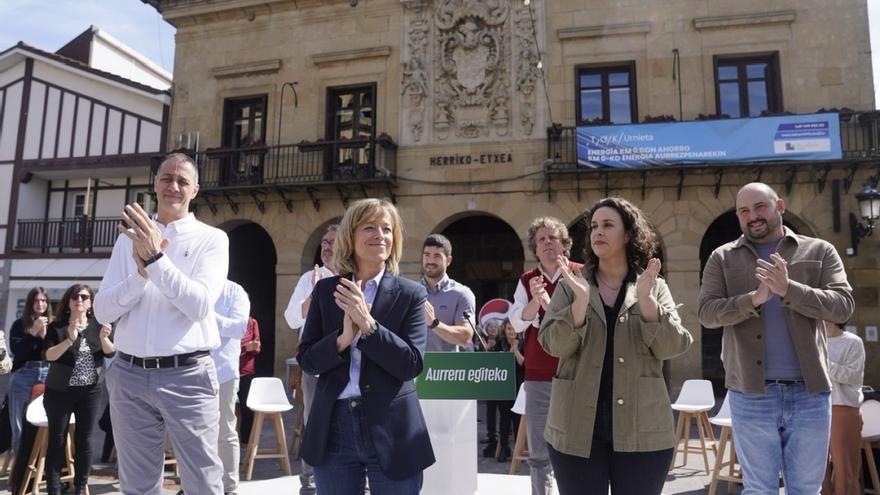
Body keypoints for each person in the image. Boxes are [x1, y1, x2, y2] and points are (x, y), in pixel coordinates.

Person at [698, 182, 854, 494]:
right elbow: (707, 313)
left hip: (810, 393)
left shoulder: (820, 250)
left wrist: (789, 290)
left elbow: (843, 306)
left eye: (760, 207)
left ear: (779, 207)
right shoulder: (722, 257)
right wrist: (753, 299)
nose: (752, 216)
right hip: (751, 394)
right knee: (758, 489)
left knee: (806, 490)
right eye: (744, 211)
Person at [95, 152, 229, 495]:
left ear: (195, 190)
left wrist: (156, 260)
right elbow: (102, 311)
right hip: (128, 373)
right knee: (137, 486)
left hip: (187, 375)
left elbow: (199, 305)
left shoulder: (212, 239)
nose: (173, 186)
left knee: (203, 482)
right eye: (166, 178)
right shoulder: (128, 239)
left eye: (182, 181)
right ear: (155, 183)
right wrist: (139, 277)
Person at [539, 197, 693, 494]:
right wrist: (580, 305)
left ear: (628, 234)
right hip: (576, 427)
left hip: (643, 428)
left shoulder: (654, 285)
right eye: (594, 226)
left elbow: (674, 346)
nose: (597, 232)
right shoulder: (571, 284)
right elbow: (553, 345)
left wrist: (647, 302)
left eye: (608, 225)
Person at [297, 198, 435, 494]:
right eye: (369, 227)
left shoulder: (411, 294)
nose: (380, 235)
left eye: (387, 229)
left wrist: (368, 325)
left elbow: (411, 364)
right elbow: (308, 360)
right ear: (351, 236)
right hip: (334, 428)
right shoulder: (326, 291)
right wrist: (343, 339)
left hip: (393, 430)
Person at [509, 216, 583, 495]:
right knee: (539, 454)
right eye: (542, 239)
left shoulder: (580, 273)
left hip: (575, 373)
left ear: (565, 244)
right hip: (538, 375)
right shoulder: (527, 280)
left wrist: (550, 306)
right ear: (535, 248)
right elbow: (516, 324)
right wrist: (534, 302)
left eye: (553, 238)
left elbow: (586, 320)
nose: (548, 243)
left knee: (575, 449)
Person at [42, 284, 115, 495]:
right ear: (69, 300)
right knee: (56, 440)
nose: (79, 300)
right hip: (59, 392)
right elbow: (48, 356)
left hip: (90, 392)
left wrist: (103, 339)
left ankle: (81, 487)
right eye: (75, 296)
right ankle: (54, 489)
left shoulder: (99, 325)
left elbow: (110, 353)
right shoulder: (58, 326)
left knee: (84, 440)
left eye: (84, 296)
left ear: (91, 302)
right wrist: (69, 339)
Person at [284, 224, 338, 495]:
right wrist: (313, 294)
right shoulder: (310, 278)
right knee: (313, 423)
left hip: (348, 363)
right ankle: (310, 486)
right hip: (315, 364)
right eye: (324, 242)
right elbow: (291, 318)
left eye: (332, 242)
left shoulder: (357, 276)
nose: (326, 247)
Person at [212, 280, 250, 495]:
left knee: (225, 430)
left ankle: (229, 487)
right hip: (190, 370)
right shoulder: (194, 286)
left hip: (222, 371)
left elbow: (239, 328)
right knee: (193, 433)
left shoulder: (235, 291)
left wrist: (205, 315)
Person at [821, 321, 865, 495]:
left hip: (843, 408)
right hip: (812, 408)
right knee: (815, 469)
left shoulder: (853, 342)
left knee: (845, 469)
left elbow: (852, 376)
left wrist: (821, 361)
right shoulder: (813, 340)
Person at [8, 287, 52, 455]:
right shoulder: (19, 325)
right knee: (18, 422)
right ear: (30, 303)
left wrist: (45, 335)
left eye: (43, 300)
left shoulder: (54, 325)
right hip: (24, 373)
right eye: (36, 300)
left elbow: (52, 355)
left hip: (48, 372)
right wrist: (33, 332)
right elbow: (18, 354)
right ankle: (19, 467)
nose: (40, 304)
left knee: (46, 421)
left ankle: (41, 463)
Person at [419, 234, 475, 351]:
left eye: (437, 256)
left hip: (447, 368)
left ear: (448, 260)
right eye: (427, 255)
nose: (430, 261)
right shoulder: (410, 292)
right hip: (414, 368)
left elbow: (465, 337)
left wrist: (434, 324)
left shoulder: (462, 294)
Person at [478, 298, 512, 458]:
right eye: (490, 327)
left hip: (503, 384)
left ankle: (504, 442)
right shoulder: (481, 342)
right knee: (490, 412)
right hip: (489, 385)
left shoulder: (502, 341)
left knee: (504, 413)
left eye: (495, 327)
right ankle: (492, 438)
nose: (492, 329)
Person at [495, 318, 525, 463]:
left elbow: (523, 363)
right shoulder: (499, 343)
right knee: (504, 419)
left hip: (519, 387)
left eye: (513, 328)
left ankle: (517, 451)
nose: (511, 331)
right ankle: (504, 449)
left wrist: (516, 351)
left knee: (517, 420)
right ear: (504, 330)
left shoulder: (524, 343)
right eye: (508, 328)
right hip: (503, 387)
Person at [237, 316, 261, 449]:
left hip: (246, 372)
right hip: (227, 372)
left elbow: (257, 348)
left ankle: (245, 446)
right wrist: (246, 347)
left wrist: (250, 347)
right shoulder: (228, 322)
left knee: (247, 410)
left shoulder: (252, 322)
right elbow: (224, 347)